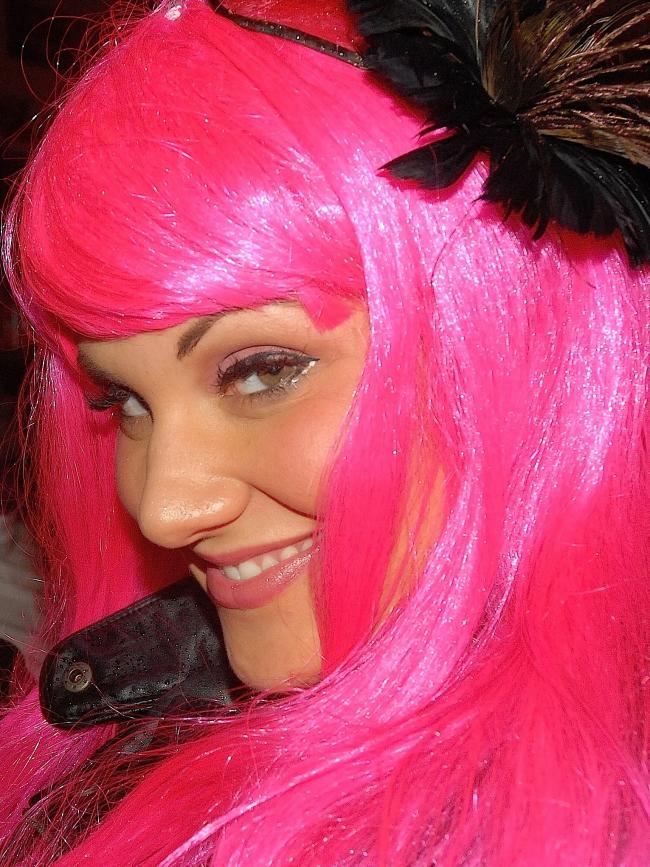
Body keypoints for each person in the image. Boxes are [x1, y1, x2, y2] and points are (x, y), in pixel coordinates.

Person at [1, 0, 649, 863]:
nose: (164, 507)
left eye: (263, 370)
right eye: (124, 400)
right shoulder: (121, 738)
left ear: (515, 349)